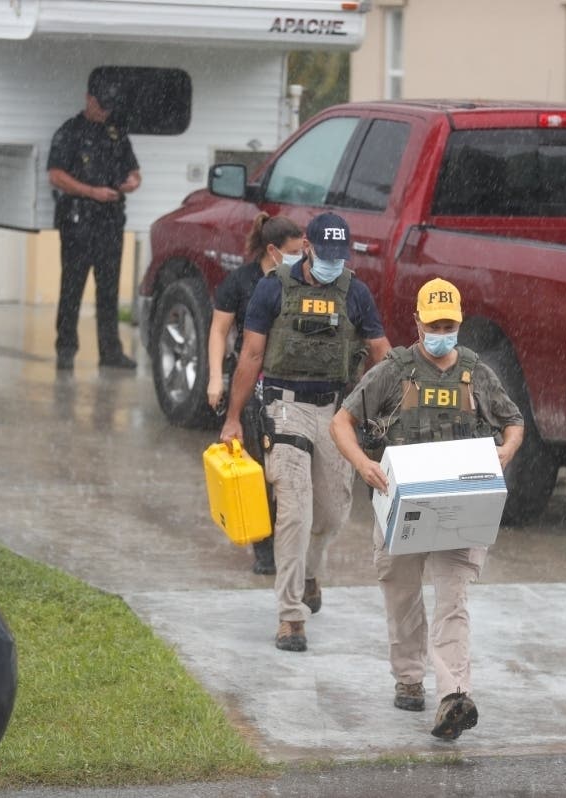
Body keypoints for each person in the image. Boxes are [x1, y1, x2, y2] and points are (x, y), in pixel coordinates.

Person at [328, 277, 524, 740]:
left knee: (452, 600)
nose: (442, 330)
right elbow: (342, 422)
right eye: (433, 322)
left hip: (459, 507)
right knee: (402, 594)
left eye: (449, 323)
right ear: (417, 322)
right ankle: (409, 677)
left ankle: (454, 695)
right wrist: (363, 464)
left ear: (458, 322)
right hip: (402, 508)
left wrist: (506, 451)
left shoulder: (476, 373)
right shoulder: (394, 370)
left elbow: (513, 421)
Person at [220, 211, 391, 653]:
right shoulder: (273, 286)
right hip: (284, 406)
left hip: (335, 412)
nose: (334, 262)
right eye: (326, 253)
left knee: (332, 512)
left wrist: (388, 407)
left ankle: (311, 572)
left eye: (341, 255)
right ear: (308, 247)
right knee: (295, 510)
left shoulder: (356, 293)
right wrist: (233, 417)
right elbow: (252, 355)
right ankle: (290, 616)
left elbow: (379, 352)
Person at [207, 213, 305, 576]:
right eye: (294, 251)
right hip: (252, 384)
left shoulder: (301, 280)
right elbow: (219, 331)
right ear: (273, 250)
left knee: (291, 469)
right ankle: (264, 548)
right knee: (259, 469)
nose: (301, 256)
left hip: (291, 383)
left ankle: (290, 543)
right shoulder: (241, 282)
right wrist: (216, 380)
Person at [47, 68, 142, 371]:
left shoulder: (116, 133)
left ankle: (110, 351)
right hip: (78, 223)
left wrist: (131, 183)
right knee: (72, 288)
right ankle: (65, 349)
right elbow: (56, 175)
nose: (105, 110)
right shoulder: (69, 132)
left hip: (110, 223)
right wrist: (91, 192)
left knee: (109, 290)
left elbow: (134, 172)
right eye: (101, 104)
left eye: (109, 106)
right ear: (88, 99)